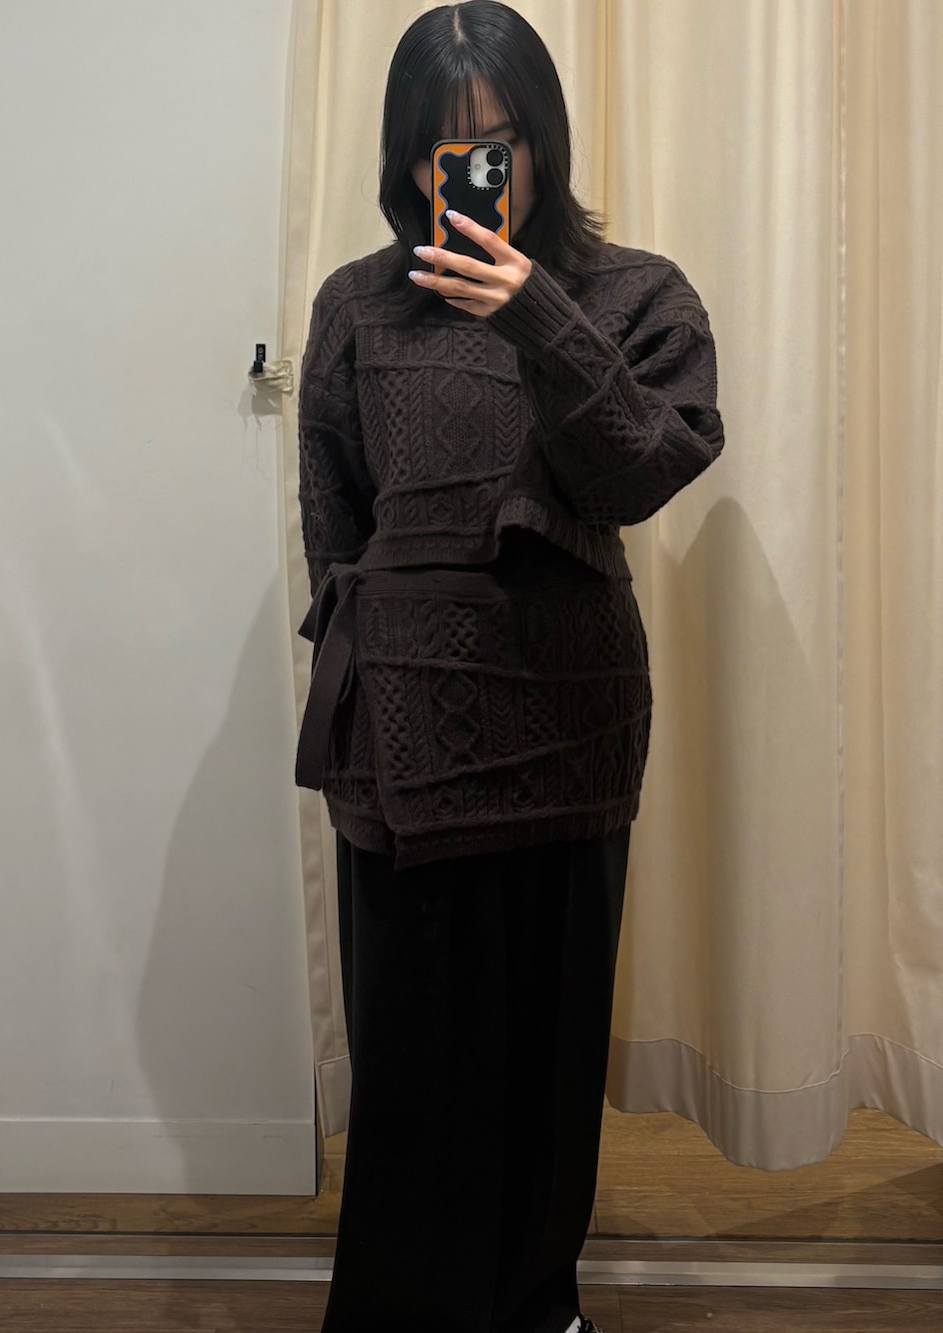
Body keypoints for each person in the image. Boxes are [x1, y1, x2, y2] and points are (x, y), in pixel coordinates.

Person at [294, 4, 724, 1330]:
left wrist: (539, 313)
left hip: (565, 720)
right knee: (413, 1061)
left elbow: (641, 474)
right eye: (444, 149)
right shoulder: (357, 304)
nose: (474, 173)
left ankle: (541, 1305)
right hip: (403, 731)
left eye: (498, 143)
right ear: (405, 156)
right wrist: (370, 672)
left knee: (546, 1051)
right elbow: (335, 518)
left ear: (544, 139)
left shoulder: (633, 293)